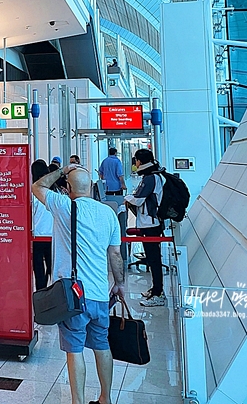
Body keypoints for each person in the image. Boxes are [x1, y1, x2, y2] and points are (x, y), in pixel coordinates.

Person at [32, 163, 124, 404]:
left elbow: (37, 186)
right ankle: (106, 398)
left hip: (73, 296)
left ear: (68, 188)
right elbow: (115, 254)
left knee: (75, 350)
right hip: (100, 295)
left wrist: (62, 171)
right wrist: (119, 284)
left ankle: (79, 401)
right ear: (92, 186)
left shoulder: (64, 206)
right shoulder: (109, 213)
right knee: (102, 345)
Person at [125, 148, 166, 307]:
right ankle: (156, 289)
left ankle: (158, 294)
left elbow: (139, 199)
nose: (135, 164)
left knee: (154, 259)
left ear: (140, 161)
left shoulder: (150, 178)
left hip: (151, 224)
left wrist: (127, 198)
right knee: (152, 258)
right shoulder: (154, 175)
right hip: (150, 222)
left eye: (135, 160)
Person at [30, 159, 54, 291]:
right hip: (53, 235)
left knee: (38, 268)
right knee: (52, 267)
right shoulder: (54, 191)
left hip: (38, 235)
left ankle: (40, 292)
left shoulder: (33, 193)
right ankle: (53, 293)